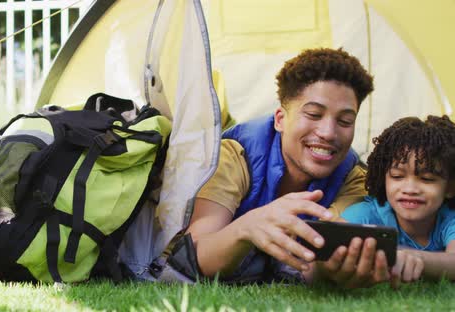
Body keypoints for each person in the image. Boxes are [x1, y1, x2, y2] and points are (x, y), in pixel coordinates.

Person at [186, 47, 390, 288]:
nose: (328, 133)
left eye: (345, 121)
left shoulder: (354, 178)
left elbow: (322, 259)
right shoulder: (233, 157)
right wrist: (247, 227)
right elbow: (197, 254)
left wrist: (332, 266)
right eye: (314, 114)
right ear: (281, 119)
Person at [341, 116, 455, 288]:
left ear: (450, 188)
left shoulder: (449, 218)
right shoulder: (365, 215)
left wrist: (409, 257)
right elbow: (326, 247)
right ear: (383, 178)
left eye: (427, 179)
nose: (410, 189)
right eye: (397, 176)